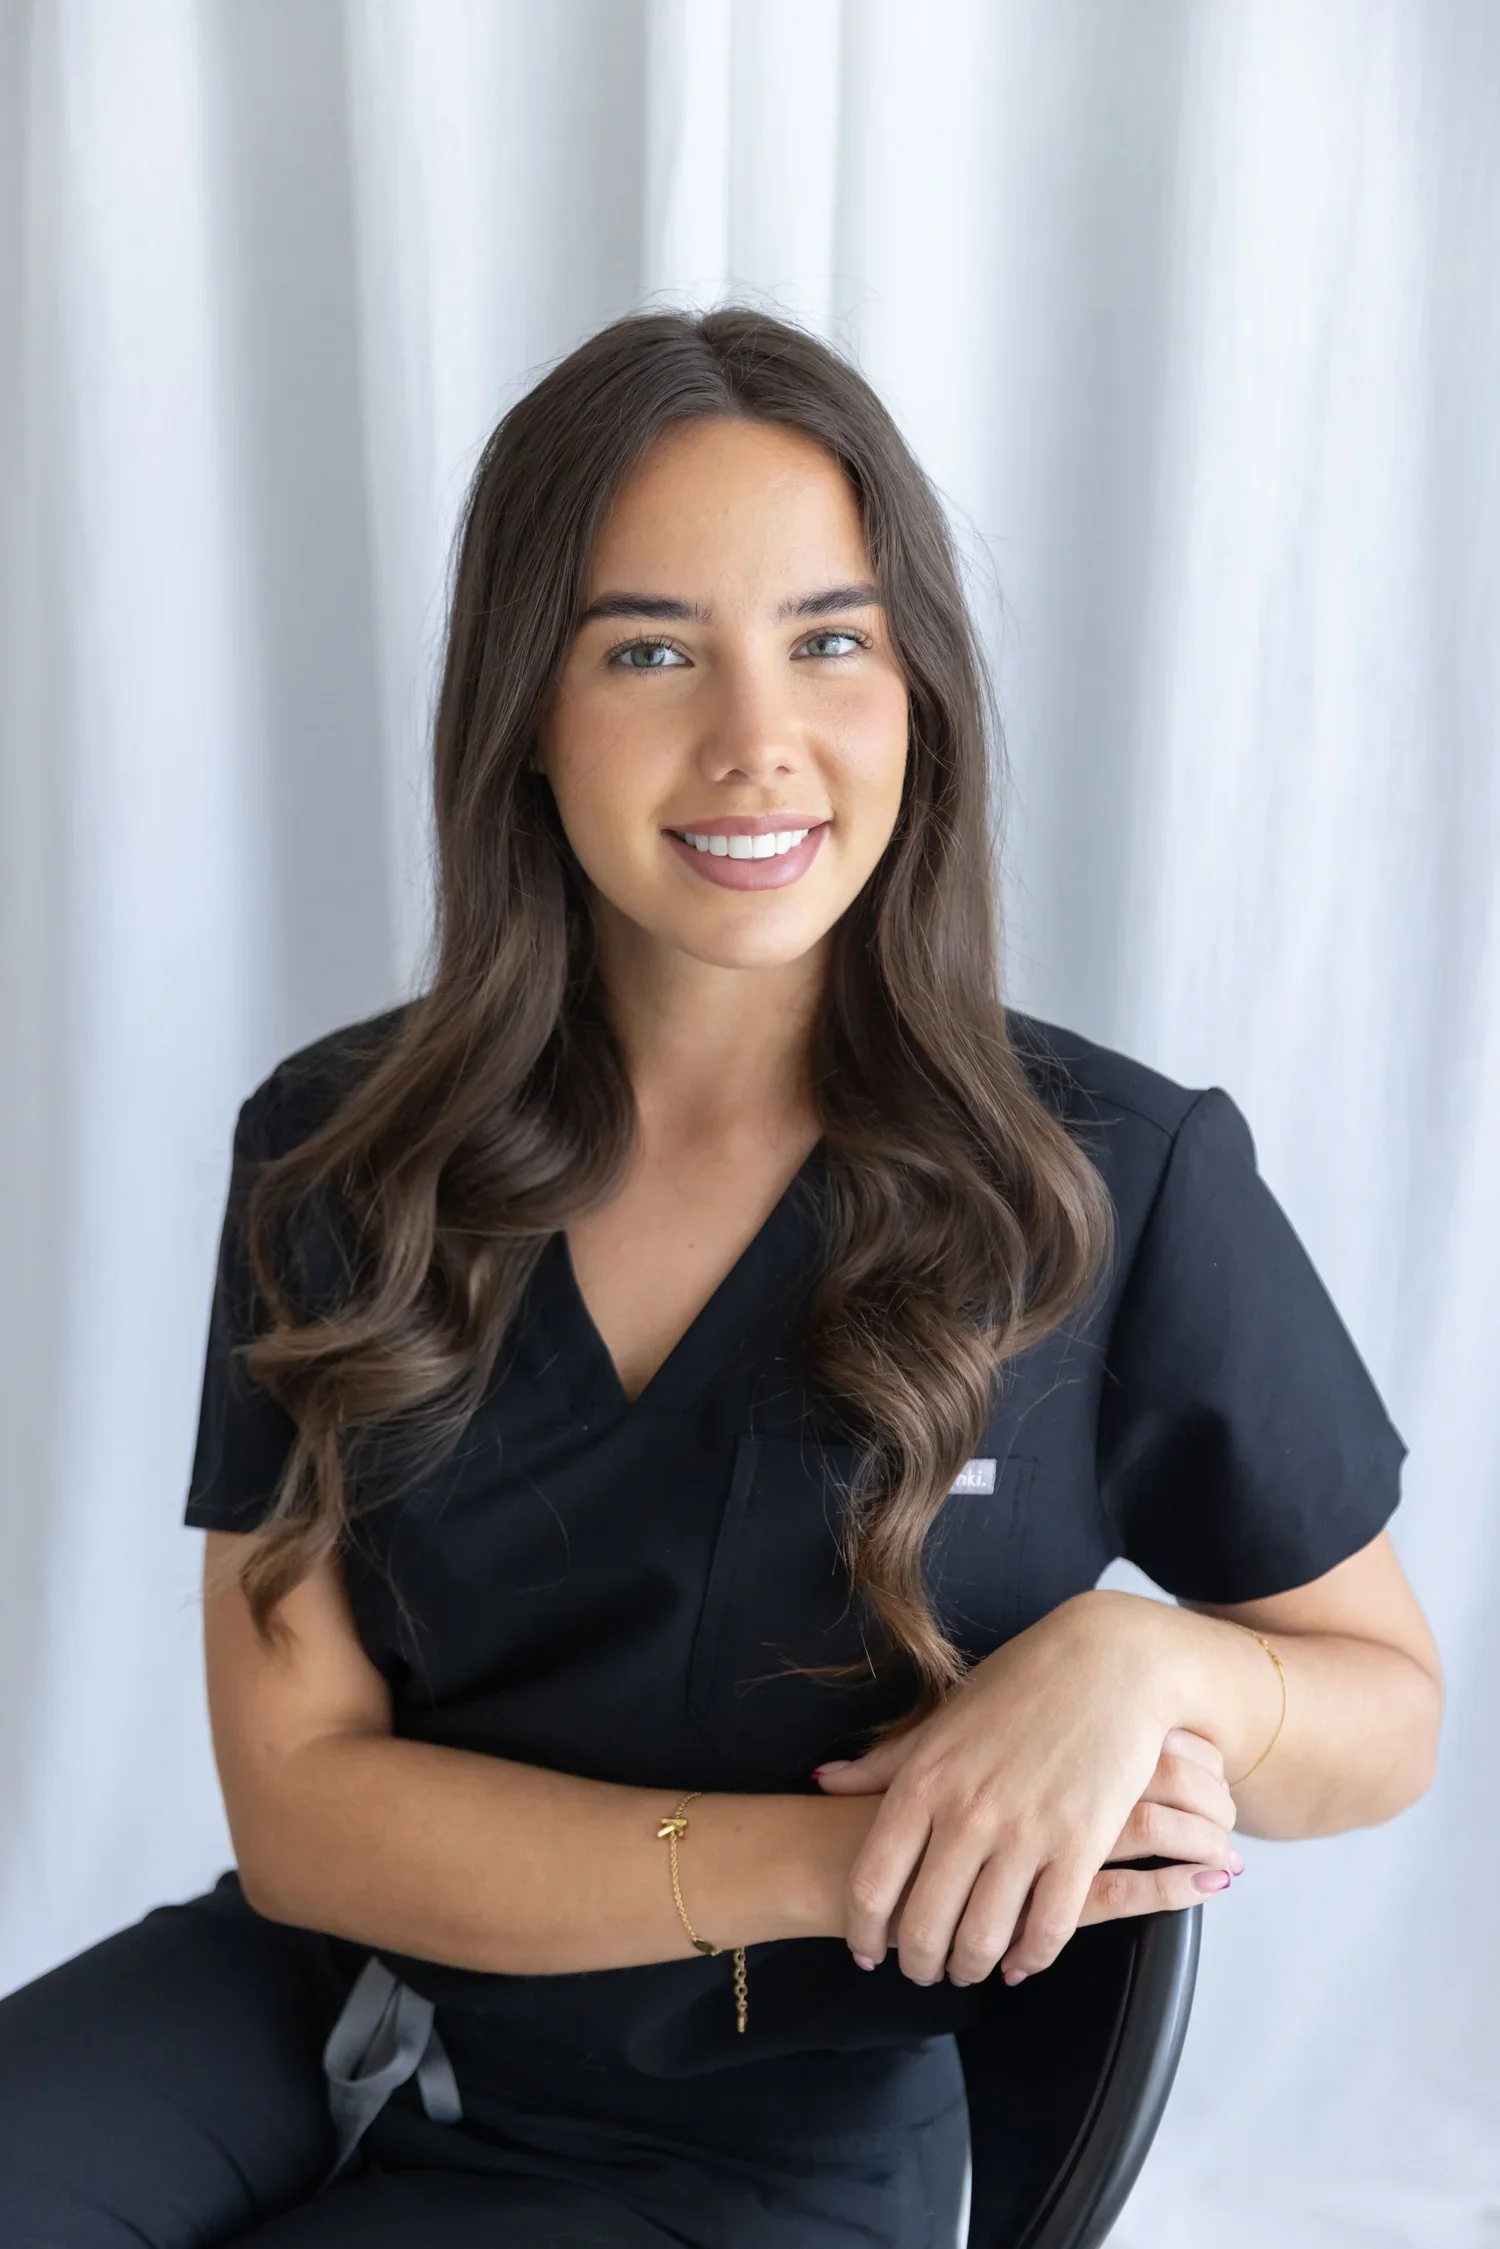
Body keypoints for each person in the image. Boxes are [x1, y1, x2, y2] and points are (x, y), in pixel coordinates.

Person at [0, 307, 1442, 2248]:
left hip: (756, 2134)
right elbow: (303, 1806)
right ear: (528, 701)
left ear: (915, 684)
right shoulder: (340, 1146)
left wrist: (1160, 1654)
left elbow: (1386, 1714)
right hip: (317, 1998)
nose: (756, 737)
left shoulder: (1117, 1176)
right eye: (653, 647)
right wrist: (841, 1855)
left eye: (829, 638)